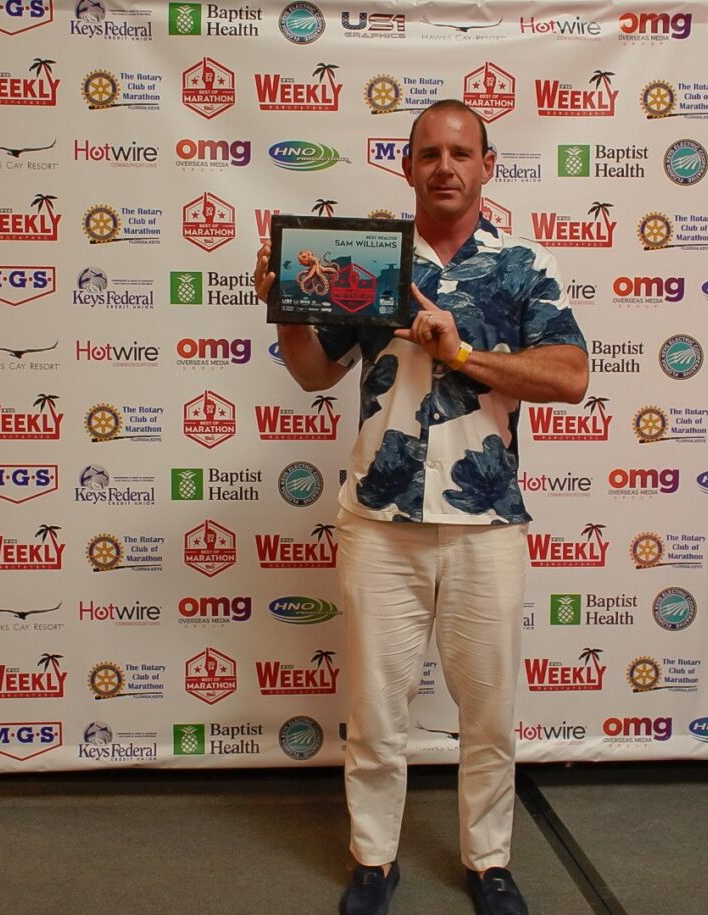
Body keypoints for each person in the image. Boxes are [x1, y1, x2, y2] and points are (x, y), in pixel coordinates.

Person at [254, 99, 588, 915]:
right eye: (428, 153)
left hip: (487, 524)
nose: (445, 166)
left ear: (487, 165)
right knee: (375, 709)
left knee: (489, 714)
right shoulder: (364, 260)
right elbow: (310, 372)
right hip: (379, 521)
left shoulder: (521, 266)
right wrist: (284, 307)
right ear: (406, 167)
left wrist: (463, 353)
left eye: (460, 152)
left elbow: (571, 376)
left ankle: (491, 861)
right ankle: (373, 859)